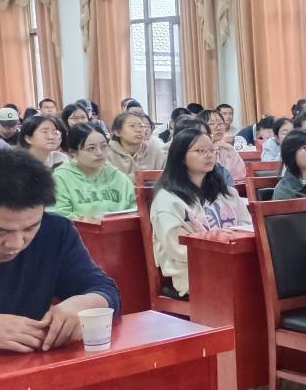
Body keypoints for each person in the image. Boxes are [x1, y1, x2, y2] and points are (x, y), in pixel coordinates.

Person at [0, 148, 119, 357]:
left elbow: (103, 288)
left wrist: (85, 303)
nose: (16, 244)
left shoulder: (55, 232)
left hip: (31, 365)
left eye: (30, 228)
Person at [149, 126, 251, 299]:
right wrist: (221, 249)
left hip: (234, 263)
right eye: (201, 151)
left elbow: (247, 227)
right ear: (180, 156)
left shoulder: (227, 193)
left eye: (212, 150)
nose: (209, 155)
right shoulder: (167, 200)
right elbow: (177, 249)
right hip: (194, 274)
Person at [52, 123, 137, 219]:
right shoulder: (61, 178)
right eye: (91, 148)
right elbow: (58, 215)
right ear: (73, 152)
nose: (99, 152)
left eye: (103, 146)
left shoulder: (118, 177)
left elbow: (135, 209)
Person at [107, 111, 166, 176]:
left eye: (141, 126)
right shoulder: (107, 154)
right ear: (117, 132)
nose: (139, 130)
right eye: (132, 126)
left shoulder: (155, 151)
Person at [201, 109, 247, 183]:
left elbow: (239, 175)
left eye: (220, 123)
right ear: (201, 127)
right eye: (212, 124)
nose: (218, 128)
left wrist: (230, 149)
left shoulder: (225, 148)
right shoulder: (198, 150)